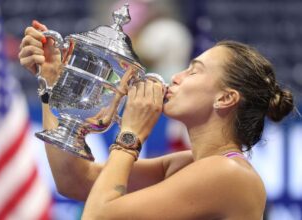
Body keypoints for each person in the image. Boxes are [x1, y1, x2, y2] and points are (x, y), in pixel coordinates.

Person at [19, 20, 294, 219]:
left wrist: (131, 136)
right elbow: (74, 180)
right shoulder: (187, 164)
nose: (176, 77)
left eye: (193, 71)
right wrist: (53, 86)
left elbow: (98, 216)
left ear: (225, 99)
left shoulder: (229, 174)